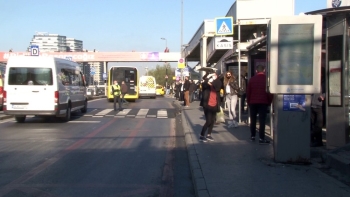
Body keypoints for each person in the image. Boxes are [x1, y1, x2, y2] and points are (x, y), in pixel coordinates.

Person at [247, 65, 273, 144]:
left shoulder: (252, 80)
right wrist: (269, 102)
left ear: (256, 71)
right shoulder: (267, 80)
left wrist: (249, 102)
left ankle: (253, 136)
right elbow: (270, 93)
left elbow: (248, 92)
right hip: (263, 102)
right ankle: (261, 138)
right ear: (264, 70)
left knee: (253, 120)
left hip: (253, 103)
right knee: (262, 121)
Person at [199, 72, 222, 142]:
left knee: (212, 121)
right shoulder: (206, 85)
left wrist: (215, 79)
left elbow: (219, 85)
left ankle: (209, 134)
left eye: (215, 75)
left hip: (215, 104)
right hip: (207, 105)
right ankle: (202, 135)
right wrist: (208, 77)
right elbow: (204, 84)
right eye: (212, 76)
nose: (213, 77)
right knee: (208, 121)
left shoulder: (216, 84)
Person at [310, 80, 325, 147]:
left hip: (319, 106)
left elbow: (328, 92)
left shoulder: (323, 83)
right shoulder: (312, 82)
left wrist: (323, 96)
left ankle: (317, 139)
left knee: (318, 125)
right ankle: (315, 141)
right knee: (312, 124)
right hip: (311, 105)